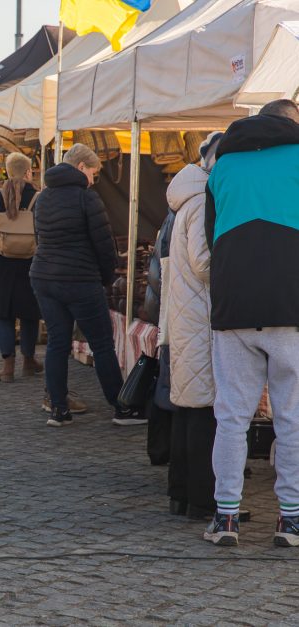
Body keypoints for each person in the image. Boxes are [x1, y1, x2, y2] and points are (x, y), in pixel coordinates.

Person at [202, 99, 299, 547]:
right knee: (292, 419)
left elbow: (211, 238)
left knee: (232, 417)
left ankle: (225, 518)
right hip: (290, 303)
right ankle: (291, 520)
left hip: (233, 305)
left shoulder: (222, 167)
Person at [30, 143, 141, 427]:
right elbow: (104, 247)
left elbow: (40, 239)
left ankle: (58, 410)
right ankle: (121, 408)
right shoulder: (86, 199)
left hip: (44, 277)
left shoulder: (42, 198)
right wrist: (105, 278)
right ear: (81, 168)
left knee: (57, 343)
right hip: (79, 280)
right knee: (102, 344)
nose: (93, 179)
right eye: (93, 172)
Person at [161, 132, 223, 522]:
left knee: (188, 409)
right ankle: (202, 500)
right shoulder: (201, 202)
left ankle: (182, 494)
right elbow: (204, 263)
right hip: (199, 317)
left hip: (188, 316)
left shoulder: (189, 198)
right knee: (200, 411)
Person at [0, 152, 43, 383]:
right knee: (30, 313)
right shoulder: (38, 197)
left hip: (0, 264)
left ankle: (8, 366)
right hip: (31, 263)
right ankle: (29, 361)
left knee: (4, 314)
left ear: (7, 171)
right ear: (28, 172)